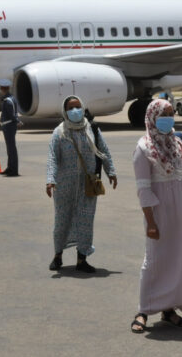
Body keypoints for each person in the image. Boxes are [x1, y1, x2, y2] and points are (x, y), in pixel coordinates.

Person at [130, 99, 182, 334]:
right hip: (161, 211)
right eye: (165, 114)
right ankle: (143, 310)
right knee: (155, 260)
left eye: (172, 113)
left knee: (181, 257)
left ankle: (169, 309)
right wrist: (150, 222)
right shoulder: (143, 148)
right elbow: (143, 188)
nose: (169, 118)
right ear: (153, 116)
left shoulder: (177, 142)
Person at [46, 96, 117, 273]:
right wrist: (50, 180)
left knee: (86, 220)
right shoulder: (59, 132)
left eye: (78, 106)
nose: (75, 110)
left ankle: (82, 258)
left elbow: (103, 151)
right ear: (65, 111)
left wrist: (111, 172)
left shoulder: (92, 129)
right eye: (71, 108)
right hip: (64, 185)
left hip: (88, 184)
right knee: (62, 220)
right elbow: (53, 158)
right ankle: (58, 255)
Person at [0, 78, 23, 177]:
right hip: (8, 125)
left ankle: (14, 170)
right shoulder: (10, 98)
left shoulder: (8, 100)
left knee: (11, 148)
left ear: (1, 88)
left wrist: (17, 121)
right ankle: (10, 168)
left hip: (9, 126)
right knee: (10, 148)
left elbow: (12, 114)